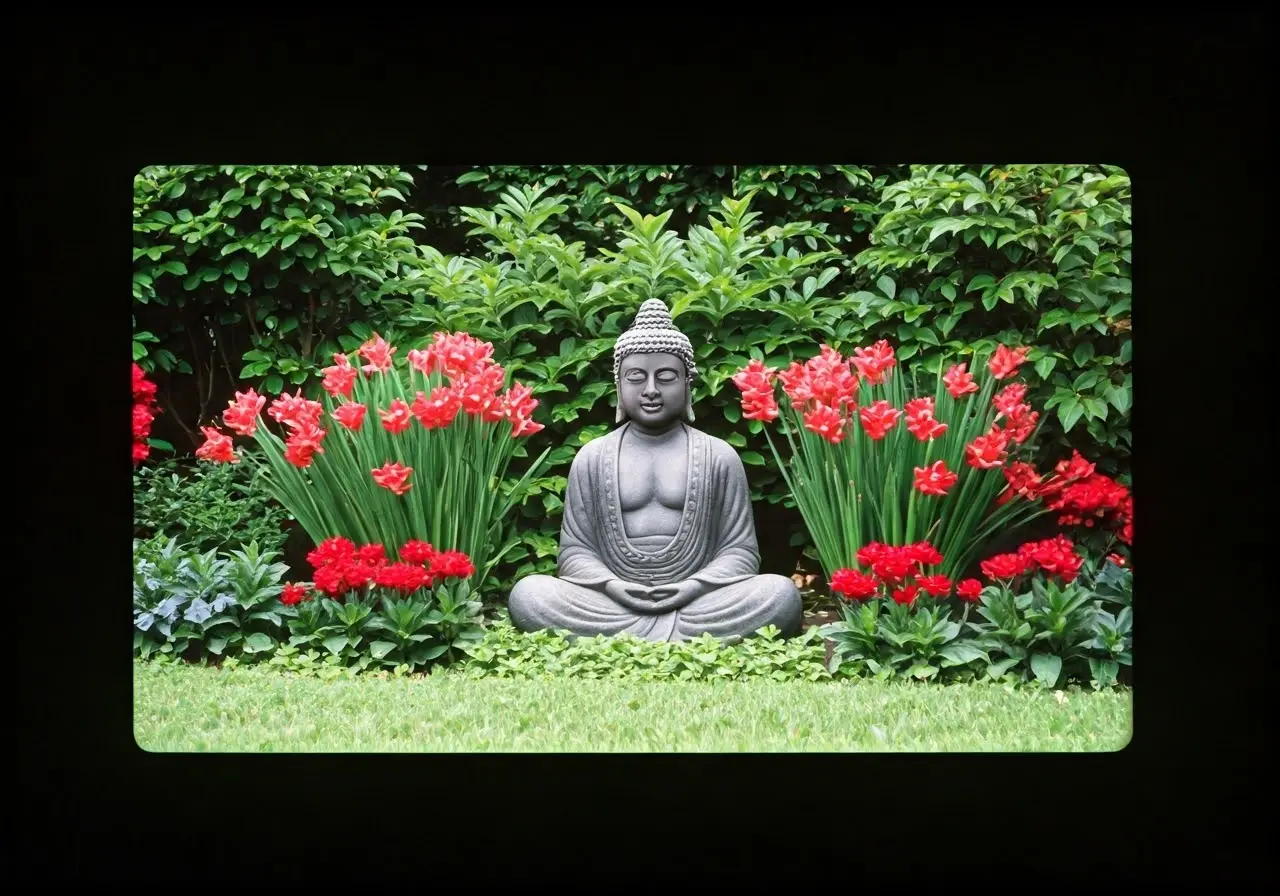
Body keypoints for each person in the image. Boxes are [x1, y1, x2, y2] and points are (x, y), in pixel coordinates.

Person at [507, 298, 802, 642]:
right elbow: (576, 552)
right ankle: (676, 637)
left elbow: (739, 552)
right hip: (613, 601)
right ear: (619, 385)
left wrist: (693, 587)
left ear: (687, 384)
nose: (650, 390)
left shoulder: (718, 456)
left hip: (698, 601)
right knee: (529, 595)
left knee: (779, 594)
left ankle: (631, 638)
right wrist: (612, 586)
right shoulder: (592, 457)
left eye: (665, 377)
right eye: (636, 377)